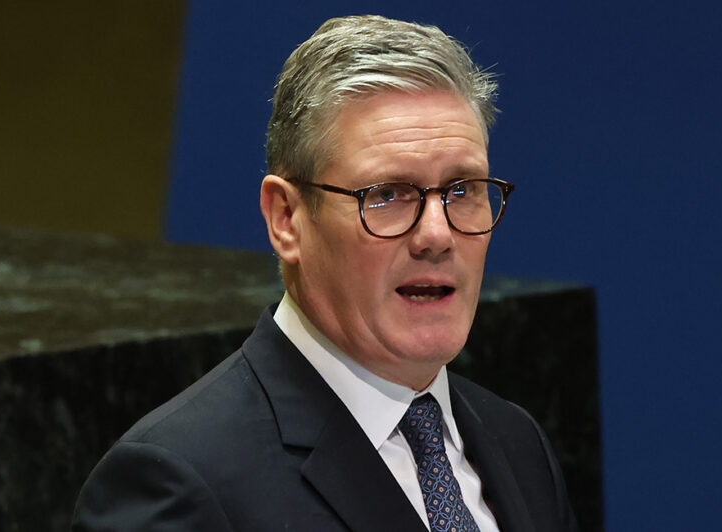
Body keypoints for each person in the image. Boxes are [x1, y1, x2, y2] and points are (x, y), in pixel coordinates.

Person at [73, 15, 579, 532]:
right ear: (286, 219)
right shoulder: (178, 484)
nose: (437, 235)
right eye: (386, 195)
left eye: (462, 189)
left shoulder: (517, 443)